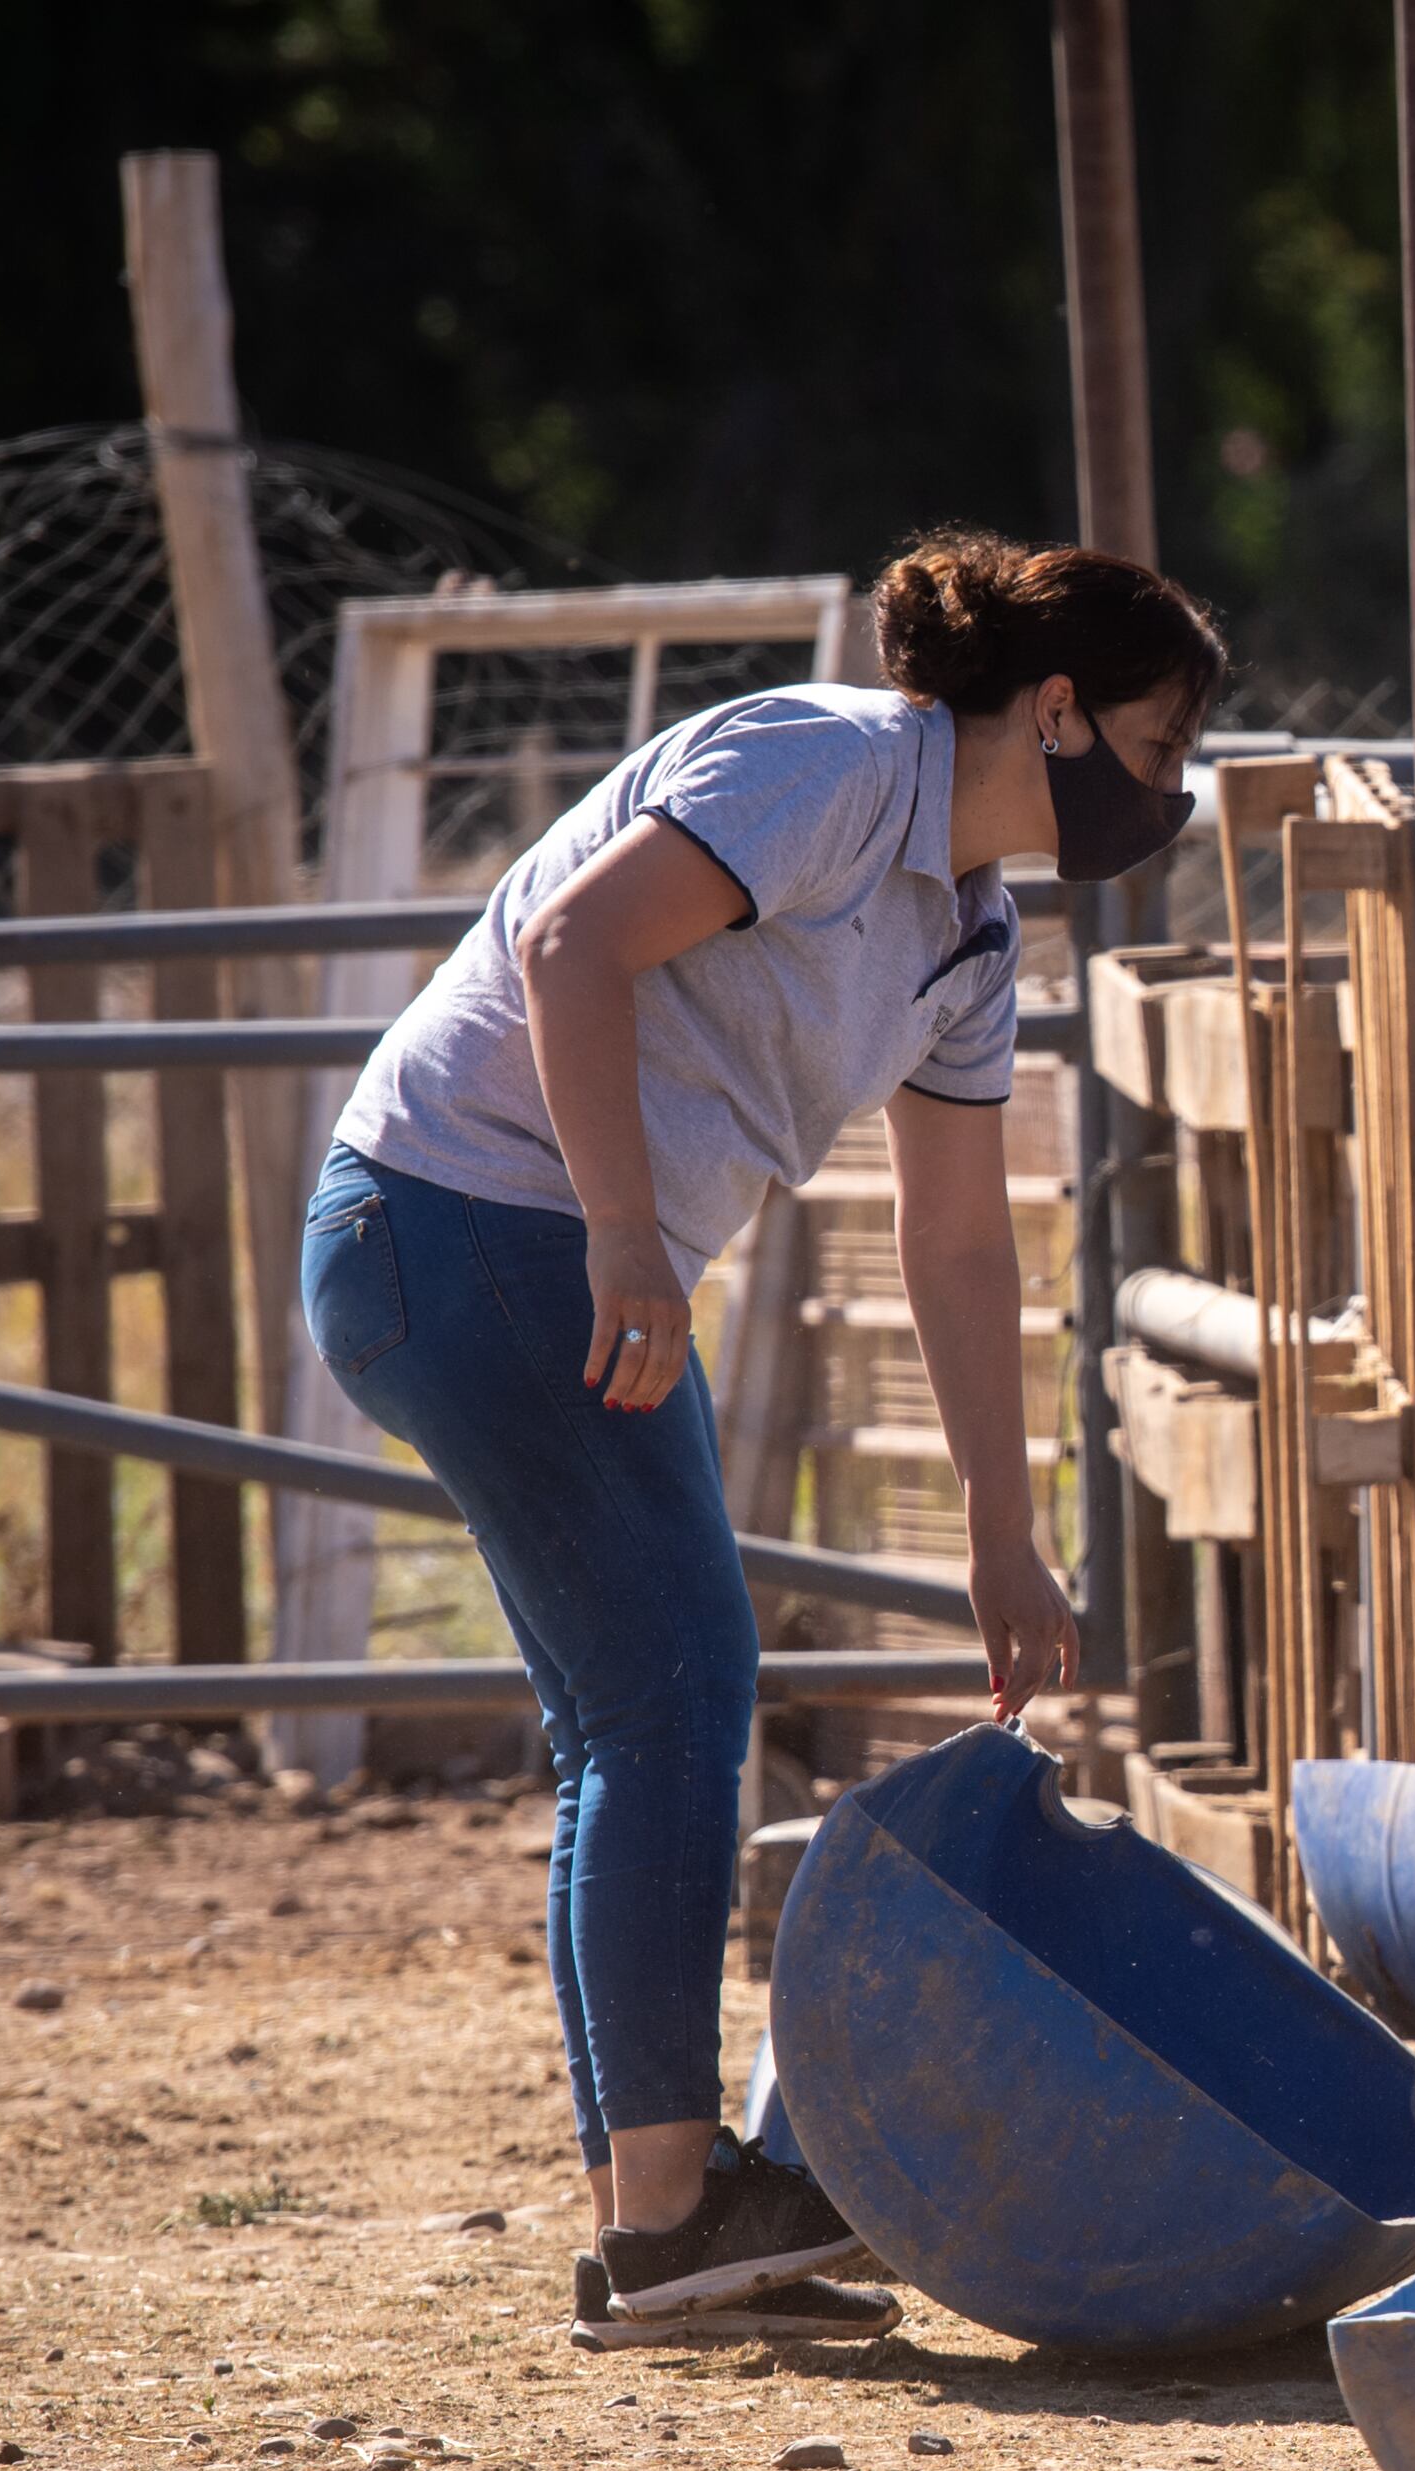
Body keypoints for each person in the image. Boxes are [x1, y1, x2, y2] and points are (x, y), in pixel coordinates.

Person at [303, 527, 1218, 2344]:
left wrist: (998, 1524)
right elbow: (573, 948)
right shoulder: (825, 765)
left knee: (625, 1712)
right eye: (1157, 739)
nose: (1168, 788)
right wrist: (629, 1234)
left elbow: (955, 1240)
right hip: (468, 1221)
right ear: (1052, 710)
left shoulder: (965, 931)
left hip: (530, 1241)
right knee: (675, 1692)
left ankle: (652, 2207)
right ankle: (668, 2216)